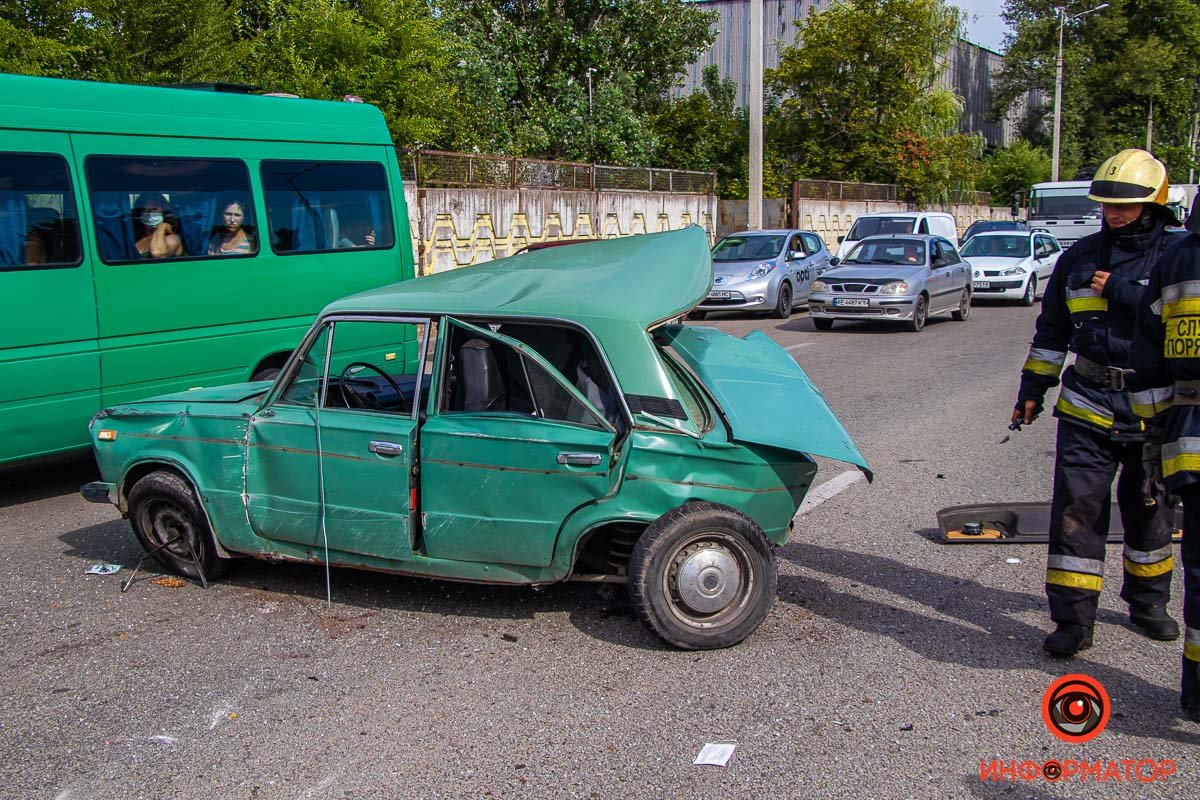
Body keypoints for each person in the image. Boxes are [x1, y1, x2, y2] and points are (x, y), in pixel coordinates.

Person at [1012, 149, 1179, 658]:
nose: (1114, 213)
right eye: (1107, 204)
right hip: (1086, 404)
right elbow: (1053, 333)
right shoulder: (1079, 258)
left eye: (1125, 205)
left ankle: (1147, 604)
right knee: (1077, 512)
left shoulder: (1179, 257)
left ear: (1154, 204)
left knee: (1149, 509)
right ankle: (1072, 621)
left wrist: (1129, 293)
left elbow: (1183, 326)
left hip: (1156, 409)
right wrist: (1032, 390)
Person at [1128, 201, 1200, 721]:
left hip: (1190, 441)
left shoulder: (1177, 262)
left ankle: (1197, 694)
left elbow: (1148, 357)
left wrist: (1154, 435)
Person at [132, 192, 183, 258]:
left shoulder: (172, 238)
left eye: (154, 209)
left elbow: (158, 254)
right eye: (145, 210)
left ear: (164, 212)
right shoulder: (134, 238)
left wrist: (162, 226)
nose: (150, 214)